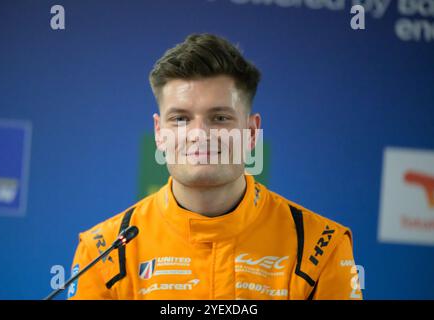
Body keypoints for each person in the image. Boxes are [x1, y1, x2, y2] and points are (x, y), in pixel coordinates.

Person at [68, 33, 362, 300]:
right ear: (159, 133)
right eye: (180, 118)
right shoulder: (103, 251)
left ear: (251, 133)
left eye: (219, 118)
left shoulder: (320, 248)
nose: (199, 134)